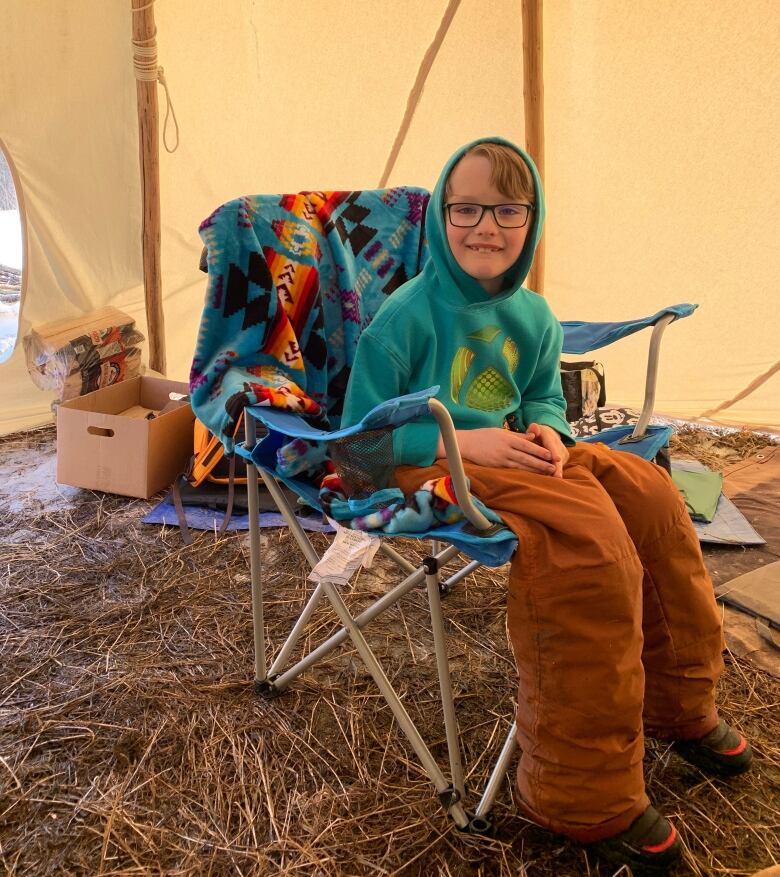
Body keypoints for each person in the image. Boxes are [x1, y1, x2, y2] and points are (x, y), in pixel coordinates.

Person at [342, 137, 752, 875]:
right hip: (423, 463)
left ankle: (680, 704)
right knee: (589, 544)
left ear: (532, 220)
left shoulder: (533, 314)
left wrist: (551, 433)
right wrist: (468, 444)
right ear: (440, 215)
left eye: (507, 209)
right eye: (466, 208)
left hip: (514, 453)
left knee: (651, 496)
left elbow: (539, 394)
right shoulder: (403, 317)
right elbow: (362, 440)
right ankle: (580, 791)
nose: (486, 227)